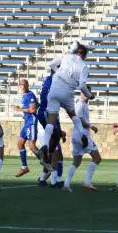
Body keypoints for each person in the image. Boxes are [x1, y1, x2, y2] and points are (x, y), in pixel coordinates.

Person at [40, 42, 94, 159]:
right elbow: (82, 86)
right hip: (67, 91)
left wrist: (57, 73)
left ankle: (44, 145)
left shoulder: (66, 56)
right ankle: (82, 135)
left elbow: (51, 64)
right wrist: (90, 95)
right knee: (73, 115)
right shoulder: (83, 66)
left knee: (50, 121)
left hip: (55, 88)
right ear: (84, 55)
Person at [62, 86, 101, 192]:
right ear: (81, 93)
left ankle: (66, 184)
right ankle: (87, 182)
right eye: (84, 92)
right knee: (97, 158)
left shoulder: (82, 104)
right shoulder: (80, 105)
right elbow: (80, 120)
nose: (86, 95)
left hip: (76, 135)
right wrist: (91, 126)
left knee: (76, 162)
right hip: (82, 135)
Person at [37, 59, 65, 187]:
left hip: (48, 114)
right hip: (47, 115)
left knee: (56, 153)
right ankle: (54, 181)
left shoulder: (50, 81)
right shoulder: (54, 81)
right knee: (55, 153)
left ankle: (46, 179)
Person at [15, 79, 42, 177]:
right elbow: (37, 105)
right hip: (26, 123)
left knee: (32, 147)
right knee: (20, 143)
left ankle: (46, 162)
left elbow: (32, 109)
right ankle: (24, 167)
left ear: (27, 85)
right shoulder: (26, 95)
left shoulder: (29, 95)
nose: (21, 86)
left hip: (31, 123)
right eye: (20, 84)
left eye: (23, 84)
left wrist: (19, 109)